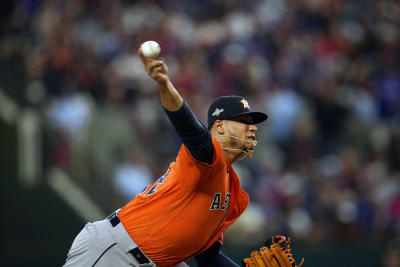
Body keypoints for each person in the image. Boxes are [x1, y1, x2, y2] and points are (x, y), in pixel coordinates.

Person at [63, 48, 268, 267]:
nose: (252, 129)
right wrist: (164, 84)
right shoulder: (209, 158)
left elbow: (209, 258)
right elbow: (192, 131)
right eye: (244, 122)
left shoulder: (230, 190)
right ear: (219, 126)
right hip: (117, 253)